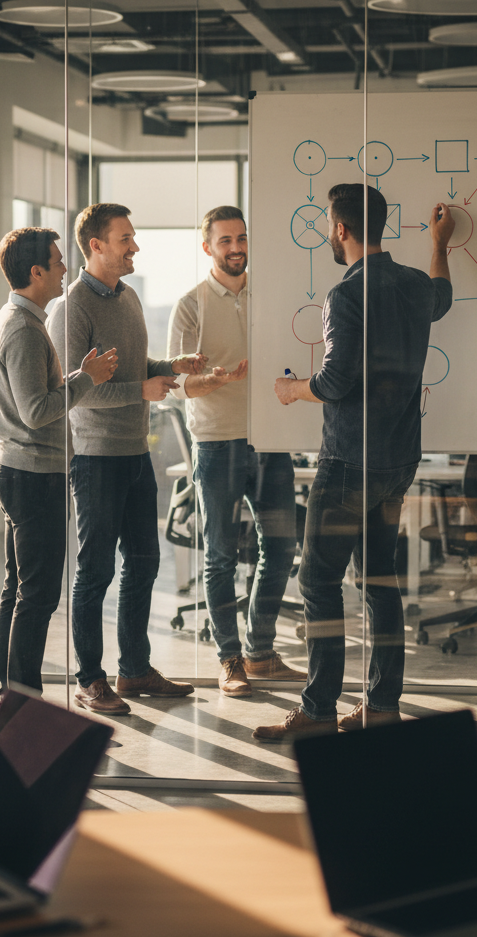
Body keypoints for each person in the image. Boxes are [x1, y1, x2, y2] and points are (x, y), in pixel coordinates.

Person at [253, 185, 455, 741]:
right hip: (398, 461)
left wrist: (295, 389)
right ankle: (381, 707)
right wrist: (440, 244)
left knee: (318, 582)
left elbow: (337, 380)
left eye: (328, 225)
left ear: (340, 229)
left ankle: (318, 713)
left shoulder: (346, 295)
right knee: (379, 581)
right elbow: (442, 294)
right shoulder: (414, 284)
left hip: (348, 465)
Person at [48, 203, 207, 715]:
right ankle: (90, 679)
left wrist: (171, 366)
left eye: (133, 238)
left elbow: (135, 368)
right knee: (95, 572)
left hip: (136, 452)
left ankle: (134, 670)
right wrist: (142, 388)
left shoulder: (129, 297)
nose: (134, 246)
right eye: (125, 240)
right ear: (95, 246)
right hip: (96, 458)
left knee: (143, 564)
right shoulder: (71, 309)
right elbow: (75, 391)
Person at [168, 206, 306, 696]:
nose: (235, 248)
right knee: (221, 556)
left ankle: (261, 651)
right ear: (208, 247)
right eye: (224, 240)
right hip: (217, 442)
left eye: (241, 238)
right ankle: (231, 660)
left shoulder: (271, 298)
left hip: (270, 440)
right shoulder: (190, 305)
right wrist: (212, 380)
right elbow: (174, 383)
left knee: (282, 547)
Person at [0, 227, 118, 695]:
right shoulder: (23, 329)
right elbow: (36, 410)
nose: (66, 269)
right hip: (32, 474)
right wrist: (88, 377)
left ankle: (13, 692)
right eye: (58, 262)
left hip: (21, 470)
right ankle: (25, 698)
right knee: (37, 595)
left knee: (19, 588)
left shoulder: (18, 319)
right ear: (36, 271)